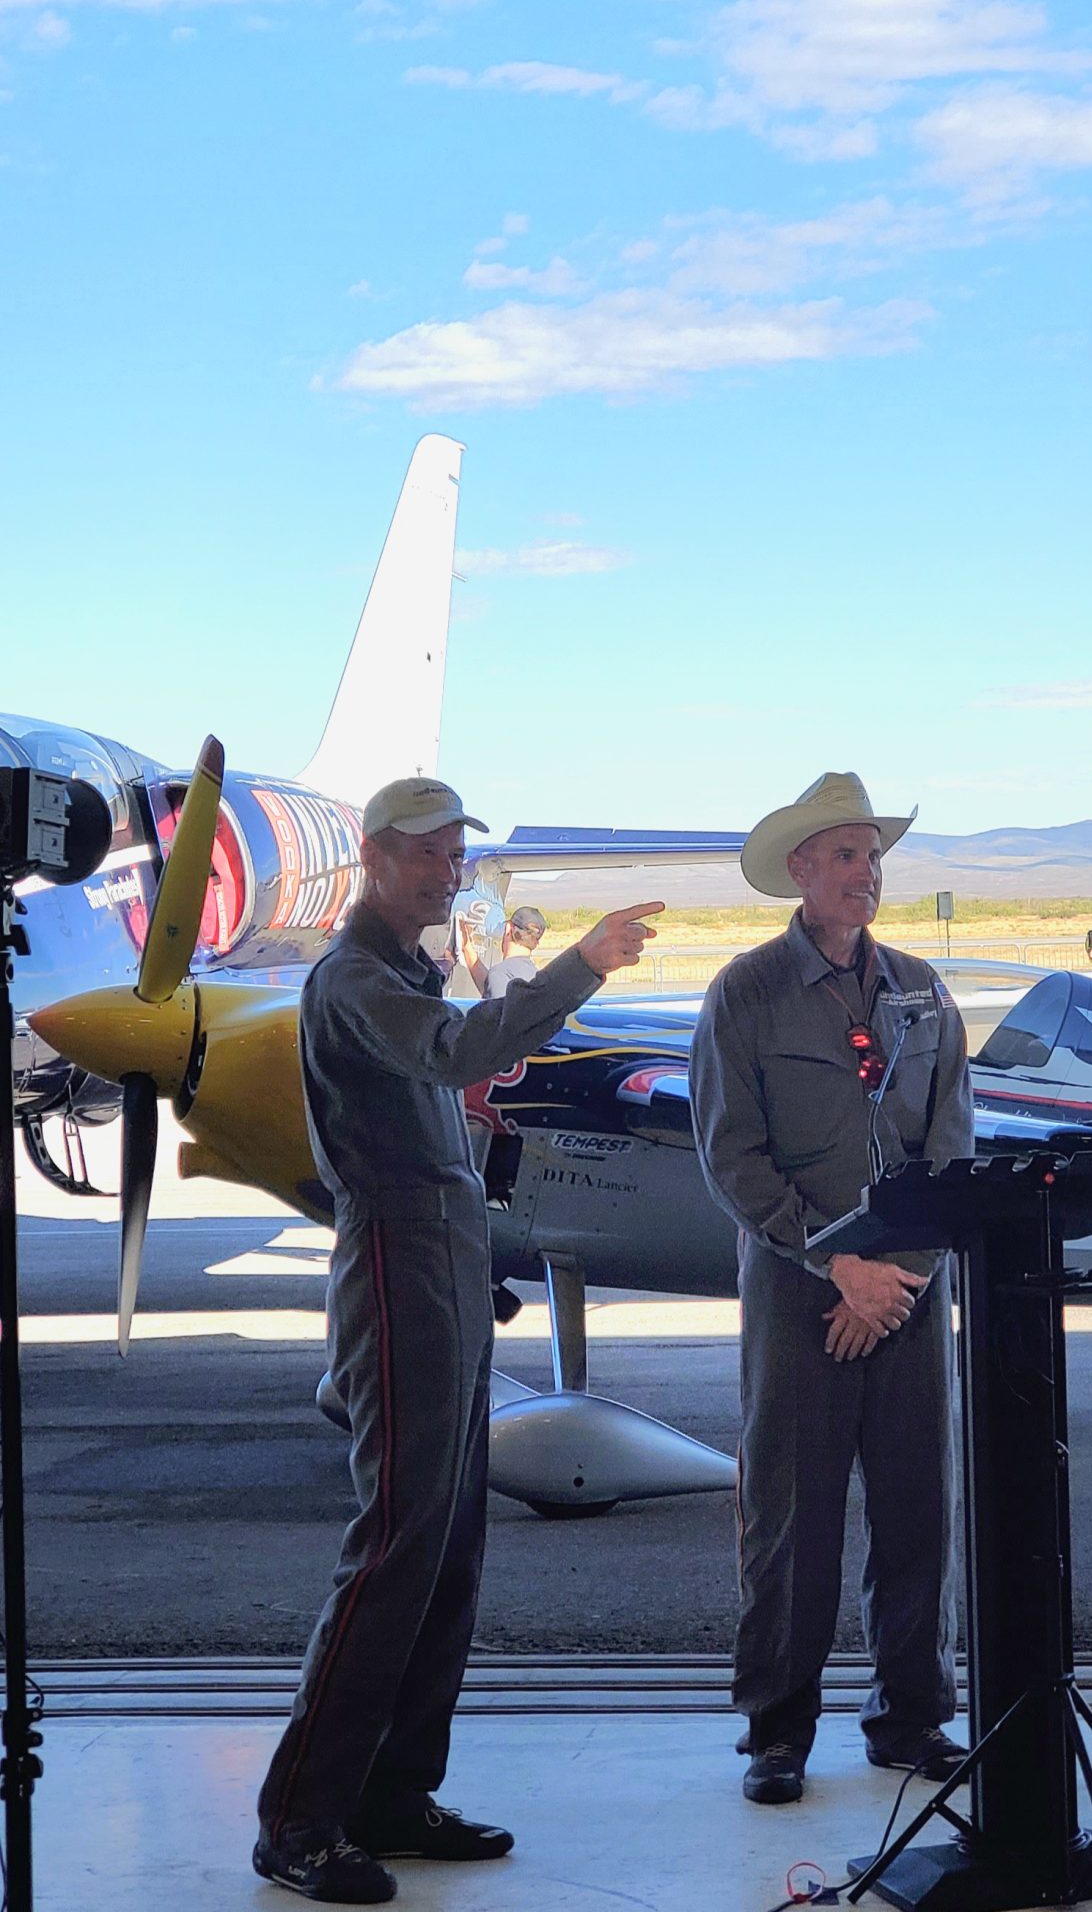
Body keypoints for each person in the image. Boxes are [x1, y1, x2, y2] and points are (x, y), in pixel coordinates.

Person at [254, 775, 661, 1905]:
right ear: (375, 859)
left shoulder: (396, 973)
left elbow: (439, 1073)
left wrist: (456, 1124)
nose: (450, 871)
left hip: (443, 1258)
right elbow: (456, 1045)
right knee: (396, 1541)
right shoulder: (352, 978)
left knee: (450, 1547)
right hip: (395, 1263)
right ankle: (297, 1818)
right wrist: (582, 966)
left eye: (455, 853)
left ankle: (393, 1793)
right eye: (429, 854)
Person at [691, 772, 971, 1808]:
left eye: (872, 853)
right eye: (846, 854)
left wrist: (898, 1276)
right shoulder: (746, 993)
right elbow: (733, 1154)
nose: (867, 871)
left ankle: (910, 1716)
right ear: (799, 871)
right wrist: (836, 1263)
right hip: (797, 1289)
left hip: (904, 1288)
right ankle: (777, 1729)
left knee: (915, 1509)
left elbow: (951, 1140)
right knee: (791, 1512)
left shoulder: (918, 986)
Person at [484, 906, 548, 999]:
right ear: (535, 942)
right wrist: (467, 950)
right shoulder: (535, 976)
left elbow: (498, 1009)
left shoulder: (499, 973)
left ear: (508, 928)